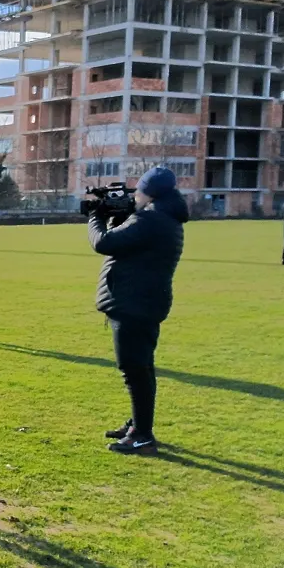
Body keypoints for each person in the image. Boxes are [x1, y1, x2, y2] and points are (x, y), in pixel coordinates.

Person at [88, 166, 188, 457]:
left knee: (134, 371)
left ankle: (142, 434)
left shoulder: (151, 219)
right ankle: (139, 425)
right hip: (144, 302)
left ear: (149, 192)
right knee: (143, 368)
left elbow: (104, 242)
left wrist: (96, 217)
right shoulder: (162, 217)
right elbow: (130, 243)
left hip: (133, 304)